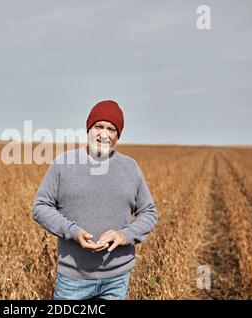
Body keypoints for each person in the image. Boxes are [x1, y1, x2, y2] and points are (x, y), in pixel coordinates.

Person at [32, 100, 158, 300]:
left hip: (117, 280)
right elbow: (40, 207)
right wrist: (73, 232)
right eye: (98, 126)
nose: (104, 134)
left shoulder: (130, 167)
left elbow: (149, 212)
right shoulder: (63, 164)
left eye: (111, 129)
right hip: (73, 280)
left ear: (118, 136)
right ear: (88, 129)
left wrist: (125, 235)